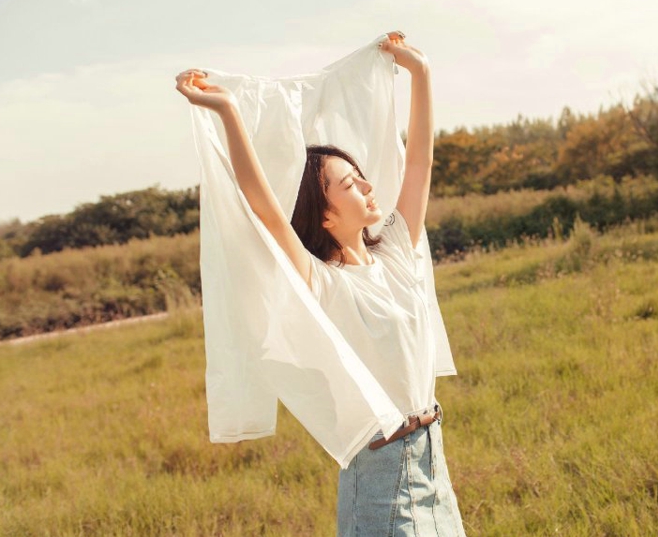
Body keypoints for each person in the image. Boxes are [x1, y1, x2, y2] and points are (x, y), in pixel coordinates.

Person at [175, 31, 466, 536]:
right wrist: (227, 113)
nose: (369, 186)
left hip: (432, 462)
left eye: (361, 175)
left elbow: (419, 161)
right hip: (380, 483)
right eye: (350, 184)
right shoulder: (323, 284)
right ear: (324, 214)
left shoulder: (395, 251)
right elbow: (266, 212)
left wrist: (420, 74)